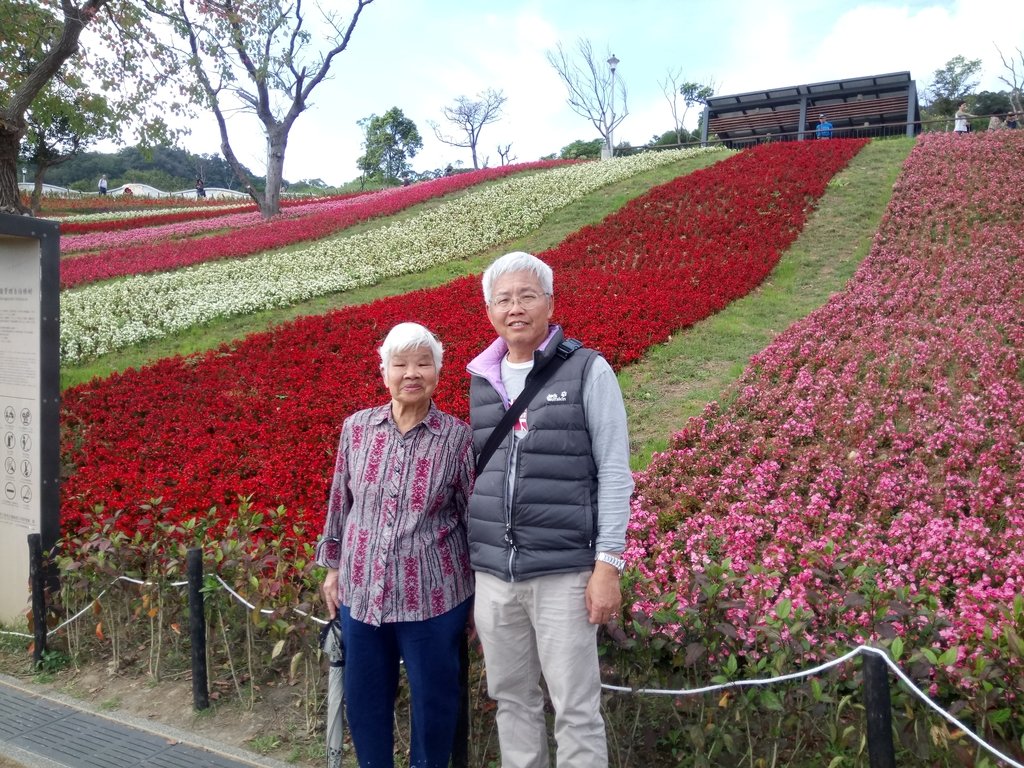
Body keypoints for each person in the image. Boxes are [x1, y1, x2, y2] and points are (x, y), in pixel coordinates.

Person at [466, 251, 634, 768]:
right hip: (496, 576)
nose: (515, 308)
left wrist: (608, 565)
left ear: (550, 304)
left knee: (576, 708)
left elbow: (614, 471)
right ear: (490, 309)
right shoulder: (481, 379)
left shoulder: (588, 369)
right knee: (512, 700)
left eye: (526, 296)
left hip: (562, 571)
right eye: (503, 299)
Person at [316, 322, 474, 768]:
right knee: (365, 702)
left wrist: (481, 592)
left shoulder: (456, 438)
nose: (411, 373)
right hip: (363, 592)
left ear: (438, 374)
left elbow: (471, 518)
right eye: (400, 363)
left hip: (434, 598)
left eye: (423, 363)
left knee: (433, 705)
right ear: (383, 370)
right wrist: (333, 567)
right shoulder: (358, 429)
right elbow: (339, 500)